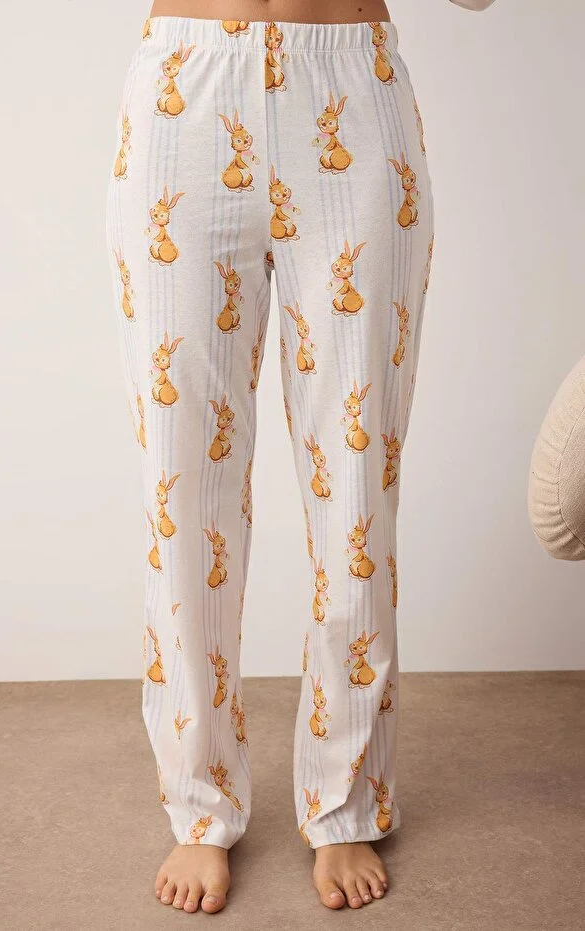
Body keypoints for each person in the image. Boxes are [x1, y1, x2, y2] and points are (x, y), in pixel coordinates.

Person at [105, 0, 496, 916]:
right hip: (186, 87)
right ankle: (199, 802)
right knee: (181, 485)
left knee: (355, 485)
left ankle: (345, 796)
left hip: (351, 82)